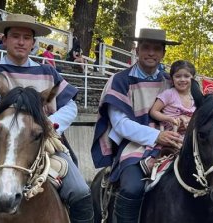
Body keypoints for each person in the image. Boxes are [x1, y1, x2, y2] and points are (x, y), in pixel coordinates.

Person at [0, 14, 94, 223]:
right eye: (15, 36)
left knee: (80, 190)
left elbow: (70, 106)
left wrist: (49, 125)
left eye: (27, 38)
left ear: (33, 43)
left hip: (45, 145)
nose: (21, 42)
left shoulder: (48, 73)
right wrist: (6, 132)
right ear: (5, 39)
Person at [91, 28, 183, 223]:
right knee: (132, 187)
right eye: (146, 48)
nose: (151, 53)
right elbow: (120, 124)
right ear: (137, 50)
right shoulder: (120, 80)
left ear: (163, 53)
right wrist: (156, 136)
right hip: (134, 145)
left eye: (157, 49)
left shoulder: (171, 81)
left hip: (173, 141)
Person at [148, 60, 197, 169]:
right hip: (170, 134)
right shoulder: (169, 94)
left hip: (189, 135)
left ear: (193, 78)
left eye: (187, 76)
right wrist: (169, 118)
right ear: (172, 79)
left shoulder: (195, 97)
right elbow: (154, 111)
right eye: (178, 76)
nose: (182, 79)